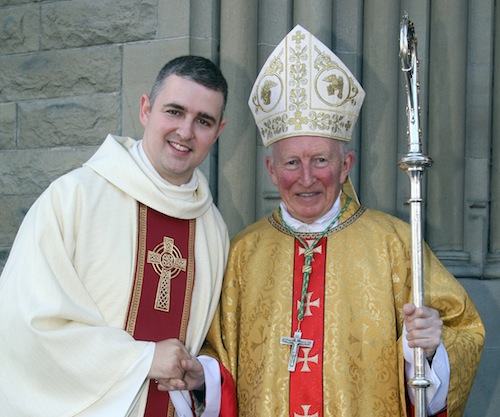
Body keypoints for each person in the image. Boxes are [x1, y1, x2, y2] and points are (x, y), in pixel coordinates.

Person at [202, 26, 485, 417]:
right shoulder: (242, 254)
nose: (306, 177)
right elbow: (215, 360)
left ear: (345, 165)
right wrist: (197, 373)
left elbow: (465, 332)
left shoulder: (395, 244)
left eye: (320, 159)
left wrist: (432, 349)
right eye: (291, 163)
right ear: (271, 169)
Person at [0, 56, 236, 416]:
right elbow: (24, 326)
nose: (186, 132)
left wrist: (199, 373)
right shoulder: (74, 198)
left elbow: (212, 340)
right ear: (145, 110)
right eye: (174, 112)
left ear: (218, 132)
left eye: (202, 121)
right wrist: (142, 359)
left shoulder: (212, 229)